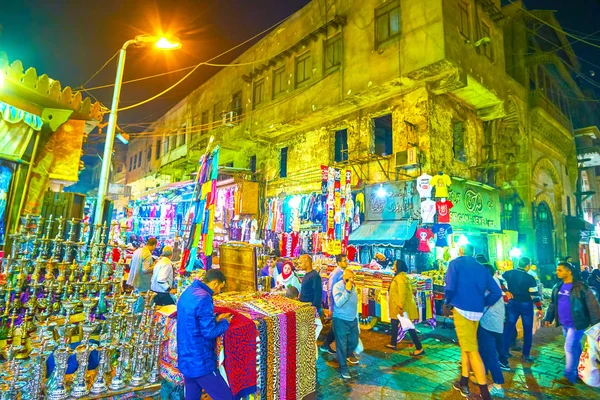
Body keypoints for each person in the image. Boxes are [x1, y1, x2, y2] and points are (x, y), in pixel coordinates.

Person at [445, 244, 502, 400]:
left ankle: (484, 392)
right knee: (466, 346)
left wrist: (447, 302)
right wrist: (483, 302)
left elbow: (449, 287)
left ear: (460, 252)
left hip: (461, 310)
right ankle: (463, 381)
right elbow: (496, 292)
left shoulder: (455, 264)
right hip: (476, 312)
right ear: (474, 253)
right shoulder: (482, 269)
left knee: (472, 350)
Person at [177, 269, 234, 400]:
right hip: (201, 361)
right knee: (225, 397)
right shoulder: (204, 298)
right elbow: (209, 333)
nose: (219, 291)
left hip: (186, 356)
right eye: (220, 286)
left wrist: (215, 318)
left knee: (192, 396)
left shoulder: (189, 291)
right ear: (214, 283)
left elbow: (193, 321)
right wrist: (225, 322)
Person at [544, 262, 600, 385]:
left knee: (569, 347)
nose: (556, 272)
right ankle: (580, 371)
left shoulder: (581, 287)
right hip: (564, 324)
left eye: (560, 270)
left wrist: (596, 324)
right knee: (575, 347)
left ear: (568, 272)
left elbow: (592, 305)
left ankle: (569, 376)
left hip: (577, 323)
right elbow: (553, 304)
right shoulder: (557, 286)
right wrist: (548, 318)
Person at [501, 257, 543, 364]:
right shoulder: (530, 278)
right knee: (527, 329)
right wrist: (539, 308)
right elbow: (534, 296)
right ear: (528, 265)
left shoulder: (508, 273)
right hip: (526, 305)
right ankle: (525, 355)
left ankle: (504, 351)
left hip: (512, 303)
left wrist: (506, 291)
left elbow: (498, 279)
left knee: (509, 327)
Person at [477, 261, 506, 399]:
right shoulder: (495, 279)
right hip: (495, 321)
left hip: (489, 322)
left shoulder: (489, 283)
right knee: (485, 351)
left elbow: (493, 296)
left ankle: (498, 385)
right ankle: (482, 375)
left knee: (490, 354)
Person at [386, 259, 424, 356]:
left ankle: (419, 348)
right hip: (398, 307)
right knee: (394, 322)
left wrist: (400, 305)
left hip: (400, 307)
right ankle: (393, 343)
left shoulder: (401, 277)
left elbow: (402, 293)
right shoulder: (400, 276)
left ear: (398, 266)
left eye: (394, 264)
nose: (393, 266)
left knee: (409, 327)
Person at [332, 269, 360, 379]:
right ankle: (343, 367)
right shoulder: (337, 287)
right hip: (340, 320)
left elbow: (355, 304)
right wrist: (347, 292)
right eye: (350, 278)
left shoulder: (353, 287)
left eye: (353, 277)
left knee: (354, 341)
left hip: (352, 320)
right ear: (344, 278)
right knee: (341, 345)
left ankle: (345, 356)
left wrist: (356, 320)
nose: (352, 280)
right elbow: (338, 303)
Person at [320, 254, 349, 355]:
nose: (347, 262)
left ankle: (326, 344)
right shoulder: (335, 274)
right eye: (345, 261)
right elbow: (330, 291)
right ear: (339, 262)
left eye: (347, 260)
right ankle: (327, 344)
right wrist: (331, 307)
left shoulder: (345, 273)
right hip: (337, 304)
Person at [127, 237, 158, 312]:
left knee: (135, 301)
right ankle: (138, 321)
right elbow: (145, 270)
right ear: (154, 245)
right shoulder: (147, 253)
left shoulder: (138, 250)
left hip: (135, 279)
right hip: (143, 282)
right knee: (142, 304)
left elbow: (130, 265)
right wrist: (155, 266)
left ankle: (133, 317)